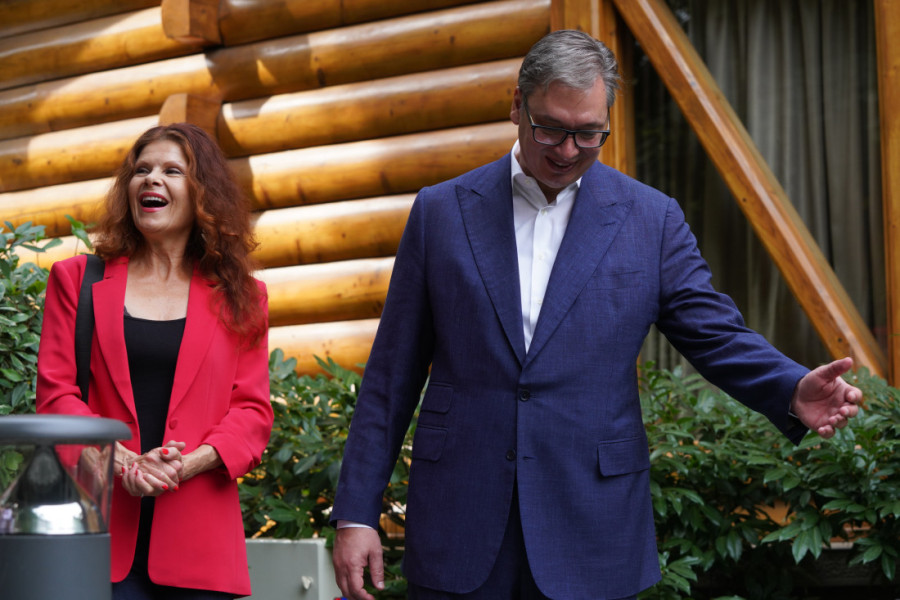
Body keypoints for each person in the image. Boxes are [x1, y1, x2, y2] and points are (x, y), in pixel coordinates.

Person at [329, 30, 863, 600]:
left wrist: (790, 387)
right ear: (516, 105)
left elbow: (715, 333)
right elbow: (391, 375)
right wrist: (357, 511)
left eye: (588, 134)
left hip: (592, 526)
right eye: (551, 129)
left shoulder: (651, 219)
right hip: (460, 522)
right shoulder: (440, 213)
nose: (567, 151)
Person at [36, 123, 273, 599]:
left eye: (171, 171)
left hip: (201, 549)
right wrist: (120, 461)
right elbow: (56, 395)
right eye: (141, 170)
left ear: (202, 192)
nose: (151, 179)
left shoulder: (242, 296)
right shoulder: (76, 280)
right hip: (97, 537)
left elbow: (251, 412)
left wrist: (182, 466)